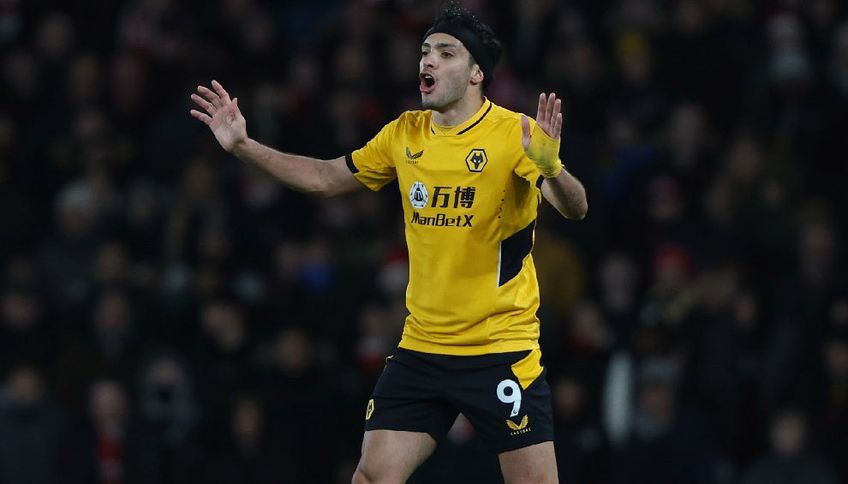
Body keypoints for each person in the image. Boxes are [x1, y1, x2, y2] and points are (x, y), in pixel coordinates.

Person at [190, 2, 587, 482]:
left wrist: (552, 168)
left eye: (446, 53)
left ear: (476, 73)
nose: (428, 60)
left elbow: (575, 207)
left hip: (498, 349)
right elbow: (323, 178)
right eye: (425, 51)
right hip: (423, 347)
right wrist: (243, 146)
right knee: (372, 476)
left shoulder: (513, 133)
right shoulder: (404, 133)